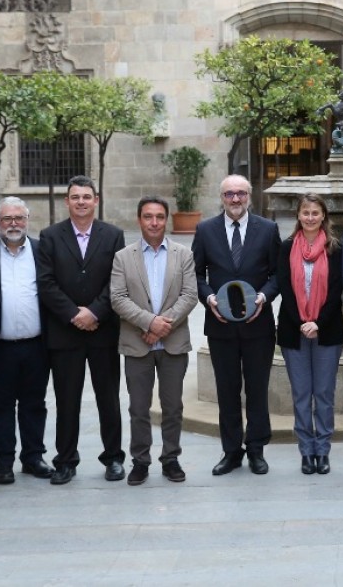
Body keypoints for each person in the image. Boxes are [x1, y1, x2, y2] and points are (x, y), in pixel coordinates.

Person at [37, 175, 126, 485]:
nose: (81, 202)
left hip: (103, 332)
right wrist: (74, 314)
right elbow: (46, 283)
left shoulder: (113, 236)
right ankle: (65, 460)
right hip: (66, 334)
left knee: (108, 399)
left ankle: (113, 458)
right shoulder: (49, 236)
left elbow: (117, 281)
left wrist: (95, 312)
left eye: (87, 197)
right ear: (67, 201)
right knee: (67, 401)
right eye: (75, 197)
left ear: (96, 200)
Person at [193, 175, 281, 476]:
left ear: (250, 196)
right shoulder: (205, 230)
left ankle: (256, 450)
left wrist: (264, 297)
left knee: (257, 390)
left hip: (258, 327)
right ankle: (231, 452)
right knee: (227, 390)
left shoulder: (268, 230)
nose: (235, 199)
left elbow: (277, 275)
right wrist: (209, 300)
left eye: (241, 193)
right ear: (221, 197)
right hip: (220, 327)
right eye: (229, 193)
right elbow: (196, 275)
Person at [111, 196, 198, 485]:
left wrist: (162, 326)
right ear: (139, 220)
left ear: (167, 219)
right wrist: (149, 322)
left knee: (173, 407)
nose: (154, 222)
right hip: (137, 345)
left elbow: (189, 295)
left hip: (173, 344)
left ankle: (171, 458)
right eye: (148, 216)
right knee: (138, 408)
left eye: (159, 216)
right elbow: (118, 298)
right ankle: (140, 460)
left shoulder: (183, 254)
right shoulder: (124, 256)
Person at [0, 197, 53, 485]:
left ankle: (33, 457)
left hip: (36, 345)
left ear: (28, 220)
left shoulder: (43, 251)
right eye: (8, 219)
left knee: (34, 403)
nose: (14, 223)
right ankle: (3, 461)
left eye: (19, 218)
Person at [277, 194, 343, 475]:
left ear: (323, 216)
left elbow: (337, 290)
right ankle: (306, 451)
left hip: (327, 330)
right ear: (298, 215)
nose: (310, 217)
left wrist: (317, 321)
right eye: (305, 212)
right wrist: (302, 322)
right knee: (302, 394)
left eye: (315, 213)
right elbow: (284, 288)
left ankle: (323, 449)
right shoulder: (286, 247)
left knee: (325, 393)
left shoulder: (335, 248)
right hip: (294, 330)